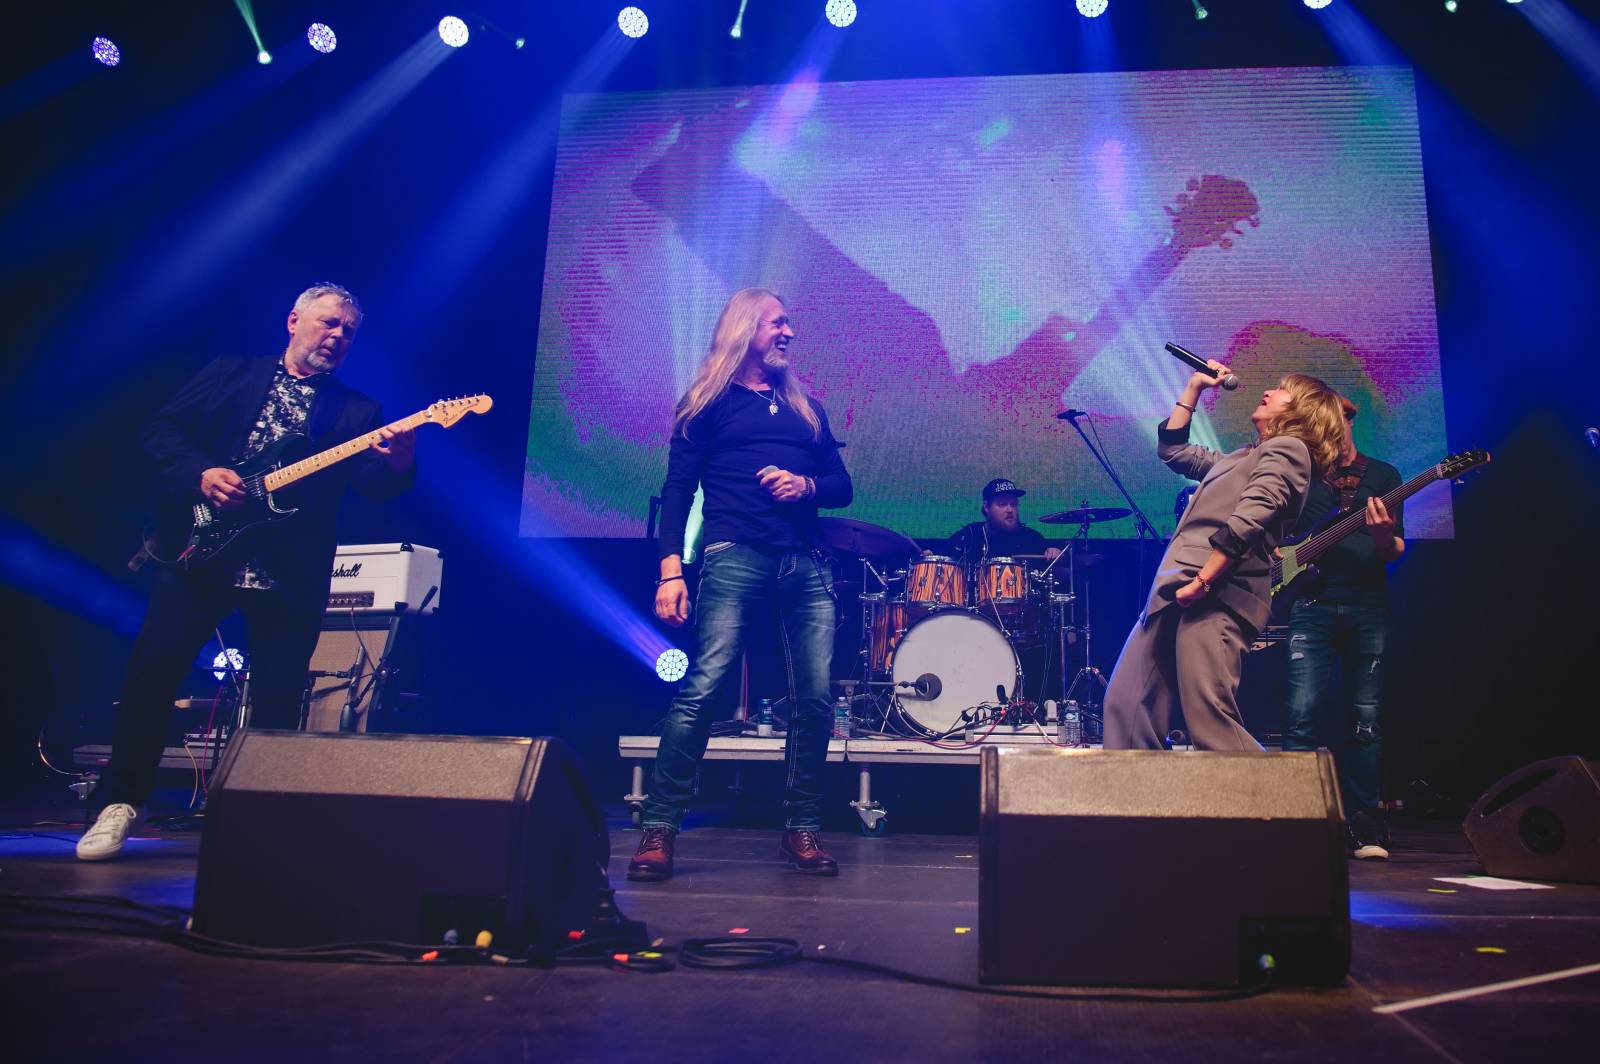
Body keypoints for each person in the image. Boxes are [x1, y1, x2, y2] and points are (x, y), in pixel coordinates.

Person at [76, 284, 416, 861]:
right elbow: (160, 431)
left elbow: (378, 487)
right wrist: (202, 473)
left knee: (279, 698)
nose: (337, 337)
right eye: (329, 324)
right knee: (152, 676)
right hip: (201, 552)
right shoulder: (230, 372)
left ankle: (257, 817)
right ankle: (121, 802)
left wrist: (402, 458)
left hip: (288, 571)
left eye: (348, 331)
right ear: (294, 321)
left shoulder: (359, 413)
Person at [632, 287, 853, 881]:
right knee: (703, 689)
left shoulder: (806, 409)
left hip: (805, 561)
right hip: (735, 556)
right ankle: (659, 827)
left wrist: (805, 486)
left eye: (788, 324)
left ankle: (802, 828)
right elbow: (677, 491)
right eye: (777, 323)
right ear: (745, 329)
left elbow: (842, 485)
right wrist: (670, 570)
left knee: (814, 700)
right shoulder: (708, 402)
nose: (788, 333)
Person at [1102, 363, 1346, 752]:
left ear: (1302, 411)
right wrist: (1195, 386)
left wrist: (1203, 582)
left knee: (1210, 719)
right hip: (1177, 588)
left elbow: (1252, 516)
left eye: (1283, 389)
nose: (1269, 390)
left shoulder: (1289, 450)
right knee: (1127, 707)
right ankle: (1137, 809)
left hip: (1216, 595)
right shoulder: (1241, 458)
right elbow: (1175, 451)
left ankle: (1276, 807)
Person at [1282, 398, 1404, 859]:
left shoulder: (1384, 476)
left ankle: (1366, 825)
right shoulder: (1302, 474)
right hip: (1310, 606)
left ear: (1348, 420)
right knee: (1299, 715)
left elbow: (1394, 551)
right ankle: (1293, 818)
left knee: (1366, 719)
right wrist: (1280, 555)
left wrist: (1379, 535)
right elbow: (1277, 536)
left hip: (1367, 607)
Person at [941, 478, 1063, 565]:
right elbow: (940, 559)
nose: (1010, 510)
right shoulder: (970, 536)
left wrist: (1054, 554)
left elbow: (1061, 575)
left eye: (1013, 504)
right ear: (986, 507)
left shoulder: (1032, 538)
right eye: (1002, 504)